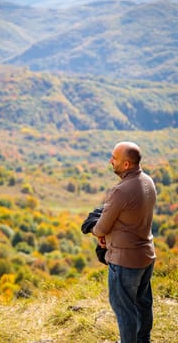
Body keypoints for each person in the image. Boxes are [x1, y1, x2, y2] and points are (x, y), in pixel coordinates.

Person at [92, 141, 156, 343]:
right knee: (143, 304)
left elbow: (100, 228)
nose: (111, 161)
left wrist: (98, 232)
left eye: (114, 158)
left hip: (125, 261)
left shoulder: (120, 191)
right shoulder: (148, 181)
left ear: (126, 164)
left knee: (124, 310)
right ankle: (143, 340)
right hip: (146, 255)